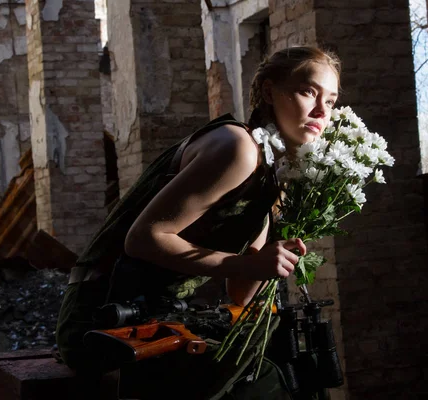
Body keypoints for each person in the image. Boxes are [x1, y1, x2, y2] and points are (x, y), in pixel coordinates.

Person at [56, 46, 341, 399]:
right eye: (307, 91)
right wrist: (245, 262)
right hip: (105, 323)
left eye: (330, 101)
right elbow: (143, 239)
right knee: (268, 386)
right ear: (269, 92)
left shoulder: (270, 172)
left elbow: (239, 290)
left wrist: (278, 247)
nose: (321, 111)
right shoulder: (237, 148)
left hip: (164, 319)